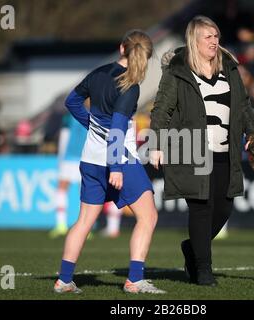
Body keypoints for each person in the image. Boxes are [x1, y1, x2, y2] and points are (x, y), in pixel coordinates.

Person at [151, 16, 254, 286]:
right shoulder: (177, 71)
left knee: (223, 207)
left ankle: (192, 248)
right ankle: (203, 270)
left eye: (216, 36)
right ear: (194, 41)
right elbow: (162, 110)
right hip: (191, 149)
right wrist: (156, 145)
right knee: (201, 208)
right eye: (208, 37)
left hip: (225, 149)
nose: (214, 41)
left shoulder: (229, 68)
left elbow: (244, 105)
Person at [54, 30, 165, 294]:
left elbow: (72, 102)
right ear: (146, 56)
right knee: (148, 216)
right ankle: (134, 281)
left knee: (83, 222)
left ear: (121, 48)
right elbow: (117, 127)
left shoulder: (99, 73)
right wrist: (116, 167)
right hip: (119, 160)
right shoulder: (130, 85)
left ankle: (63, 280)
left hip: (90, 159)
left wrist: (91, 124)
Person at [49, 112, 88, 238]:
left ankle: (78, 226)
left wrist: (61, 159)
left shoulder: (71, 115)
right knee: (80, 192)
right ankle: (63, 225)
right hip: (78, 158)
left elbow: (64, 137)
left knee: (70, 190)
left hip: (77, 158)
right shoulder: (95, 113)